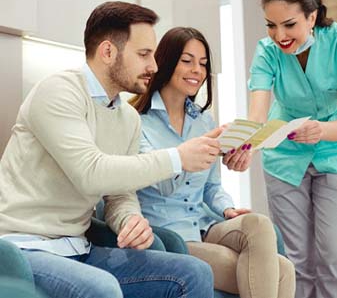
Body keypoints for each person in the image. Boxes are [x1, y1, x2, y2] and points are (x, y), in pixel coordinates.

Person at [0, 1, 221, 298]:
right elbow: (91, 173)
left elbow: (119, 193)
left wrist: (129, 219)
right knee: (102, 288)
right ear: (107, 52)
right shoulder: (58, 92)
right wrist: (177, 157)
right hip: (24, 248)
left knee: (193, 272)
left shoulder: (127, 117)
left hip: (79, 247)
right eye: (143, 54)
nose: (154, 66)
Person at [119, 26, 295, 298]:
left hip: (204, 225)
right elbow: (160, 184)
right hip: (170, 236)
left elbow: (212, 187)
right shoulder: (136, 122)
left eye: (202, 64)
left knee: (258, 225)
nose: (197, 71)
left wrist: (227, 210)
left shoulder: (204, 121)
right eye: (187, 61)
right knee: (281, 270)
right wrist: (187, 155)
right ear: (166, 62)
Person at [227, 0, 337, 298]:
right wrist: (246, 146)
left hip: (331, 152)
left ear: (312, 16)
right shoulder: (267, 52)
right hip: (285, 158)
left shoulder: (334, 43)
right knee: (295, 259)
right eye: (271, 25)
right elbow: (258, 113)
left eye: (289, 24)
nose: (279, 35)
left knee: (332, 257)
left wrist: (323, 131)